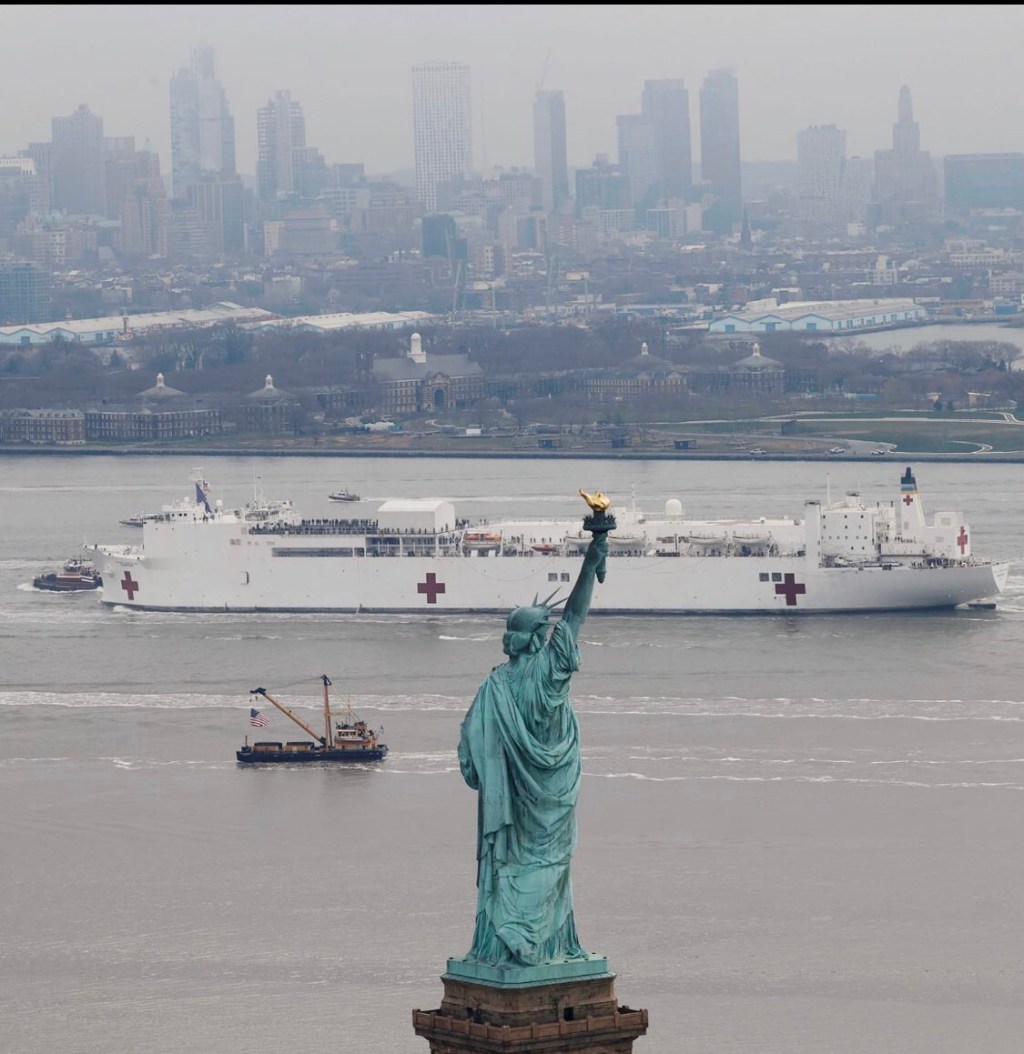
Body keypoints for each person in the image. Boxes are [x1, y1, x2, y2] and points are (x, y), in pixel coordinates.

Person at [457, 526, 608, 967]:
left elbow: (469, 757)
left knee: (511, 861)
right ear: (541, 636)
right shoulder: (550, 671)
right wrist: (592, 556)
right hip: (554, 791)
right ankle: (548, 945)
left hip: (512, 803)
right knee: (552, 864)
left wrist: (489, 773)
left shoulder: (493, 686)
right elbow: (576, 614)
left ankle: (501, 941)